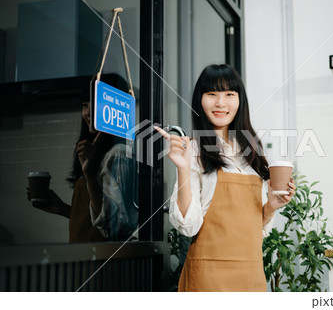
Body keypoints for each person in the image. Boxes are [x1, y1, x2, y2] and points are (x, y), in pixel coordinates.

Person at [155, 64, 296, 292]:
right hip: (208, 277)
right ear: (200, 100)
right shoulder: (193, 149)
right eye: (212, 94)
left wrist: (271, 206)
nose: (221, 103)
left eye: (229, 94)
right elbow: (188, 227)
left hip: (251, 275)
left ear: (240, 101)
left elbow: (253, 229)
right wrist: (183, 168)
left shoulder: (253, 154)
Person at [27, 96, 137, 242]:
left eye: (96, 104)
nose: (88, 112)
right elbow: (94, 217)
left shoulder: (119, 153)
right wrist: (62, 209)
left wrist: (89, 173)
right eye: (85, 105)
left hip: (103, 259)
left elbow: (113, 227)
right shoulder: (89, 152)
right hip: (82, 256)